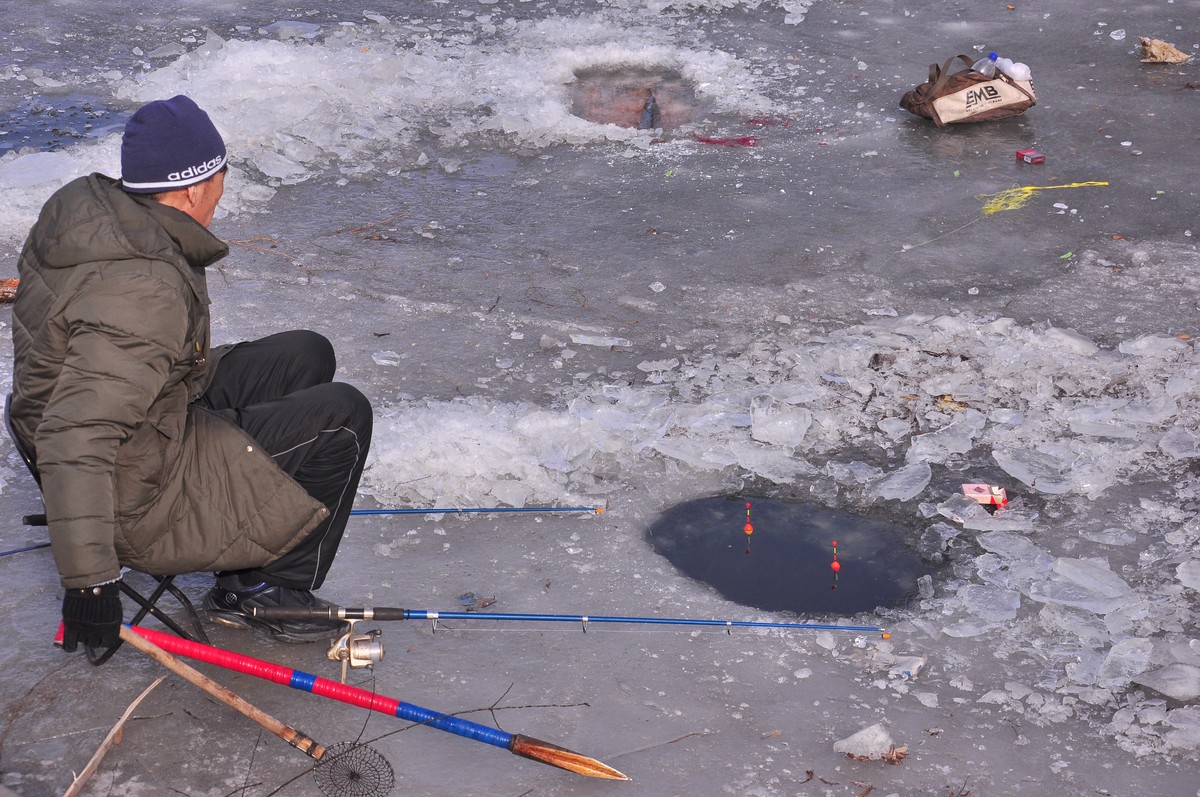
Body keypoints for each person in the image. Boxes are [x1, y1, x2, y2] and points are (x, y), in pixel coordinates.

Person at [10, 95, 373, 652]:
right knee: (343, 415)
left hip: (148, 414)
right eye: (221, 183)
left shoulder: (90, 212)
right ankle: (266, 591)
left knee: (305, 353)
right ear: (194, 188)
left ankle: (246, 548)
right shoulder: (144, 291)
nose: (220, 199)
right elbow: (75, 435)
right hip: (137, 492)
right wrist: (90, 583)